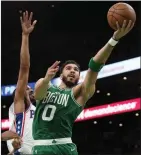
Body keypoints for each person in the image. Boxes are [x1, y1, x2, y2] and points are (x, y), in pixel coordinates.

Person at [32, 20, 134, 155]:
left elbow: (95, 65)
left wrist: (113, 40)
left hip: (65, 147)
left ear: (79, 76)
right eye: (68, 68)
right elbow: (38, 95)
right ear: (61, 73)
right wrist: (46, 79)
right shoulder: (46, 85)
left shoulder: (79, 93)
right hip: (41, 146)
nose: (72, 71)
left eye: (76, 70)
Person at [1, 11, 37, 155]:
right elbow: (24, 68)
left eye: (30, 89)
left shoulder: (38, 110)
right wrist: (25, 36)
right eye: (26, 88)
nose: (28, 89)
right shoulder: (21, 104)